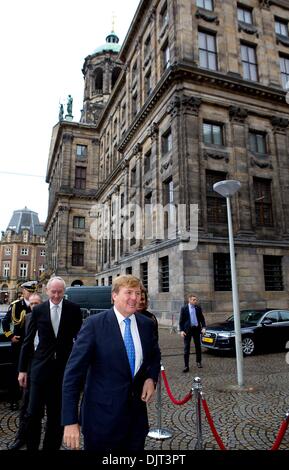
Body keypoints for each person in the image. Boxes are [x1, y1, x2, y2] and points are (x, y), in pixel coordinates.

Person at [62, 274, 161, 452]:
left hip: (136, 421)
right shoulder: (94, 325)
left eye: (137, 293)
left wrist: (151, 378)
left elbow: (154, 355)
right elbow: (73, 375)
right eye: (128, 292)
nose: (134, 298)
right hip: (101, 422)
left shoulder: (146, 324)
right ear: (114, 295)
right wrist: (70, 420)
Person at [18, 276, 82, 450]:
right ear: (47, 291)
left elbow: (81, 340)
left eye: (59, 292)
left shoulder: (73, 310)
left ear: (64, 291)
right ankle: (32, 447)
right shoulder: (38, 311)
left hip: (62, 372)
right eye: (53, 292)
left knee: (56, 416)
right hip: (39, 371)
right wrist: (22, 370)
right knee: (33, 414)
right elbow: (28, 341)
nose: (56, 295)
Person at [8, 292, 42, 451]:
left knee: (41, 410)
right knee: (26, 408)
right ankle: (21, 437)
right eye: (32, 304)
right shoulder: (27, 319)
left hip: (45, 370)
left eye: (37, 303)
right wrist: (23, 370)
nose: (34, 306)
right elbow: (24, 346)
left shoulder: (48, 318)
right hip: (30, 369)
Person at [2, 281, 37, 411]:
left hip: (33, 345)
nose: (32, 294)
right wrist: (10, 336)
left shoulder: (38, 305)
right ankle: (14, 400)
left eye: (34, 291)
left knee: (32, 372)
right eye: (29, 291)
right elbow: (5, 322)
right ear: (23, 292)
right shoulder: (16, 306)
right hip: (19, 345)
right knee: (15, 373)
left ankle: (30, 400)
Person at [179, 294, 206, 372]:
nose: (195, 301)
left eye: (195, 300)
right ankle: (186, 366)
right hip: (187, 330)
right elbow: (181, 321)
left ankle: (198, 362)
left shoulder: (198, 308)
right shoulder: (184, 308)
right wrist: (181, 330)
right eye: (193, 300)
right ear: (189, 300)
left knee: (198, 346)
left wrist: (203, 327)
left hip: (196, 330)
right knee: (186, 348)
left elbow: (202, 319)